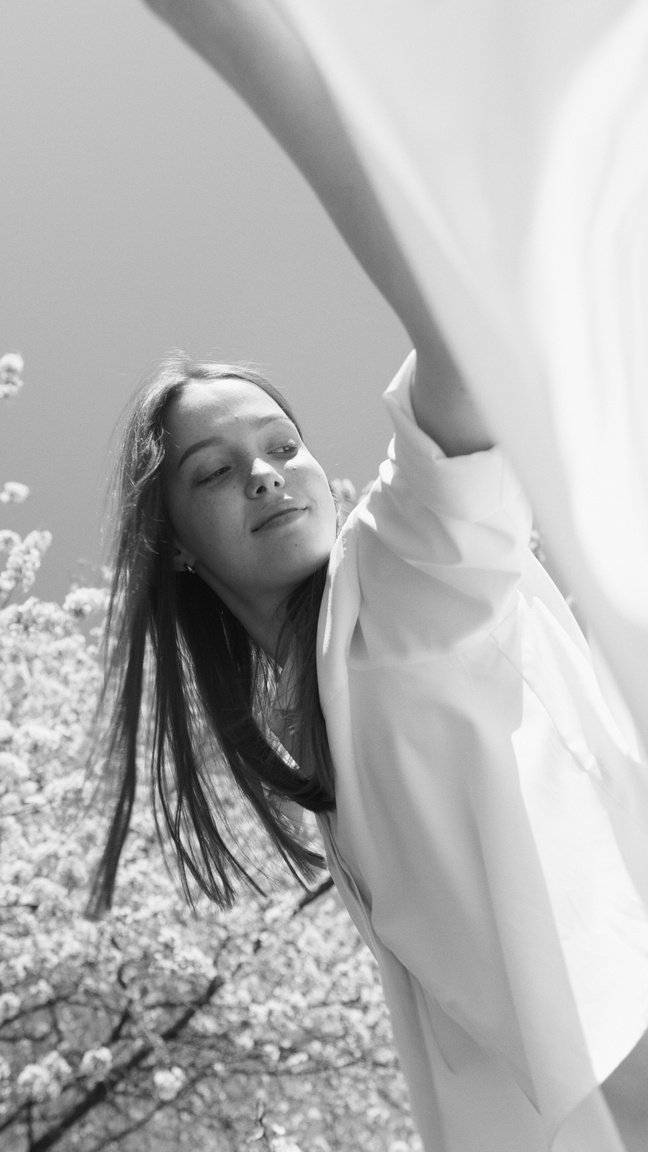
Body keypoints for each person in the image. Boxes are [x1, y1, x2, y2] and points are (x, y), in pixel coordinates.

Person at [91, 2, 648, 1149]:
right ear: (178, 552)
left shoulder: (402, 570)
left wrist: (245, 43)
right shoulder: (327, 740)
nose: (265, 474)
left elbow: (467, 324)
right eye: (215, 470)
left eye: (283, 446)